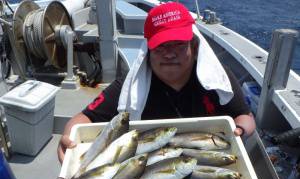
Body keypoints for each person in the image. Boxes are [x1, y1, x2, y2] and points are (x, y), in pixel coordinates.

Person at [57, 2, 256, 163]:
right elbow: (84, 118)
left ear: (194, 47)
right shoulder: (130, 87)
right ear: (148, 50)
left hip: (206, 159)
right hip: (149, 164)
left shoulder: (217, 79)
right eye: (160, 46)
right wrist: (69, 137)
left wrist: (239, 131)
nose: (169, 54)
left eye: (178, 44)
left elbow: (244, 115)